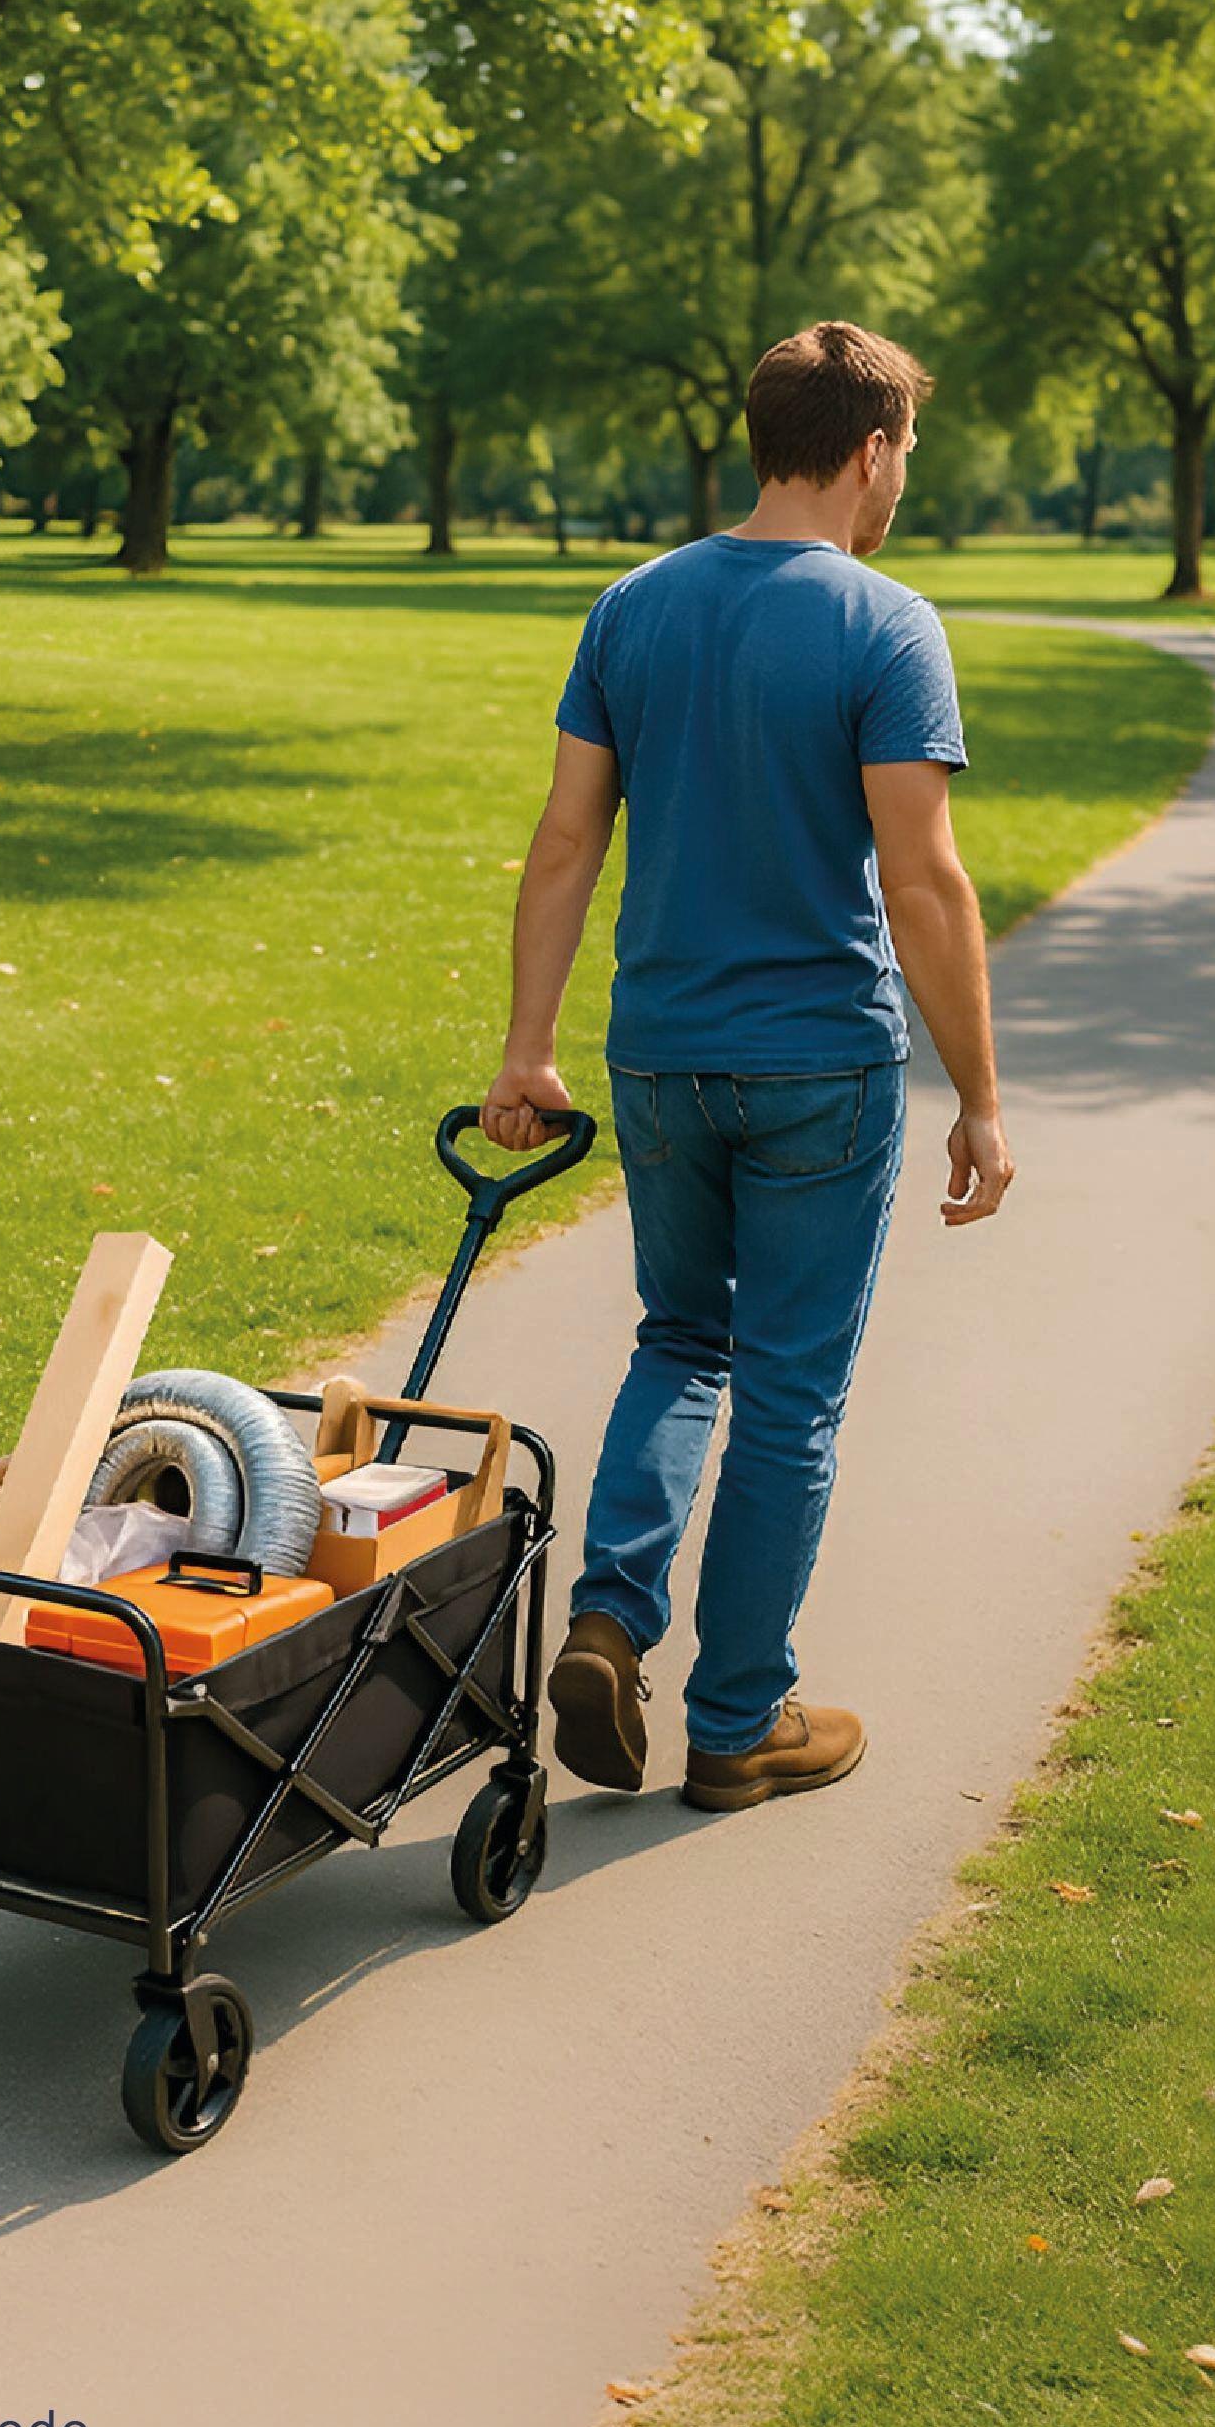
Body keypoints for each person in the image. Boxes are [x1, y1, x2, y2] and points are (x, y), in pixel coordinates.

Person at [479, 320, 1014, 1810]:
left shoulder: (635, 606)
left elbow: (569, 837)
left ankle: (607, 1617)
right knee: (788, 1392)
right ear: (867, 448)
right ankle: (738, 1724)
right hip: (818, 1073)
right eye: (907, 445)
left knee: (678, 1338)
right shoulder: (888, 625)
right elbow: (924, 885)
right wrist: (978, 1095)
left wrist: (529, 1049)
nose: (906, 471)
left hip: (658, 1055)